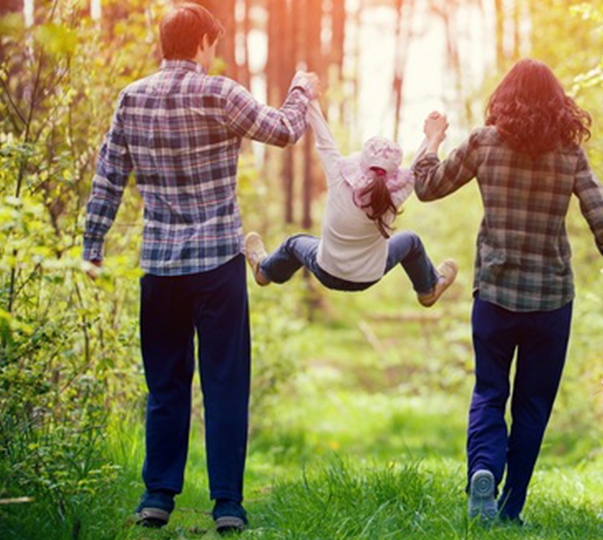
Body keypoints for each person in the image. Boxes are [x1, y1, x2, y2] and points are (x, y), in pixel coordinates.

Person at [81, 3, 319, 533]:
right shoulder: (219, 92)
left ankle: (157, 496)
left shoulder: (132, 98)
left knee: (166, 383)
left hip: (160, 267)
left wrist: (92, 243)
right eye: (213, 43)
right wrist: (301, 89)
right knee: (225, 383)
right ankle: (228, 505)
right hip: (216, 264)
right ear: (202, 44)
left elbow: (108, 176)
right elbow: (283, 130)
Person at [411, 58, 603, 524]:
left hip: (494, 293)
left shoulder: (483, 143)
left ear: (504, 98)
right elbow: (599, 210)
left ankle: (484, 471)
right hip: (551, 299)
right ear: (558, 103)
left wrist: (431, 139)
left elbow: (427, 187)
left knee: (490, 391)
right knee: (533, 404)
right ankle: (510, 509)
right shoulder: (568, 152)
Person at [244, 99, 457, 305]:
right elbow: (418, 168)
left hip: (326, 270)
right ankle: (428, 289)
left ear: (361, 163)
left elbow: (324, 141)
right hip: (369, 276)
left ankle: (264, 272)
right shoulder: (395, 195)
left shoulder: (339, 178)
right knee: (411, 241)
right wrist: (433, 136)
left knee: (293, 243)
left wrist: (310, 100)